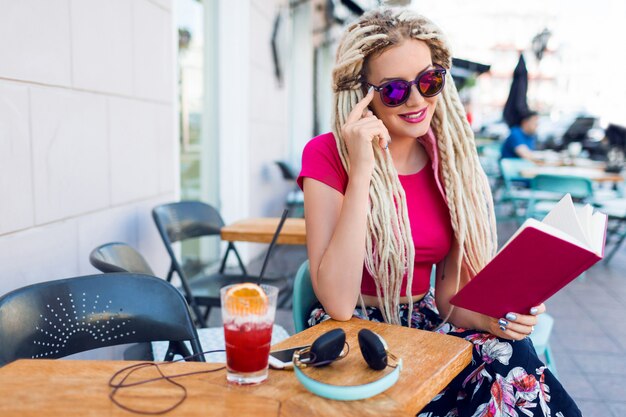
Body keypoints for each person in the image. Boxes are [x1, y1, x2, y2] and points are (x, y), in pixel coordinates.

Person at [297, 7, 581, 417]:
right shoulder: (327, 154)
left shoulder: (448, 160)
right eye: (394, 90)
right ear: (362, 94)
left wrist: (497, 320)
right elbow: (339, 302)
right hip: (351, 333)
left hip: (428, 321)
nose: (416, 101)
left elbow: (448, 301)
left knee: (514, 359)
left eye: (429, 81)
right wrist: (361, 173)